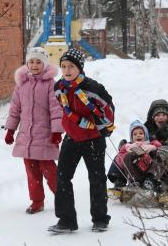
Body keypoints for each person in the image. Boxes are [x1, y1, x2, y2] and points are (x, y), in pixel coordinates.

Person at [48, 48, 115, 233]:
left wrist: (102, 130)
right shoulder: (59, 88)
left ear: (80, 68)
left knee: (96, 179)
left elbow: (108, 111)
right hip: (72, 137)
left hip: (93, 138)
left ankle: (100, 219)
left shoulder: (93, 88)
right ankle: (66, 220)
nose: (67, 70)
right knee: (62, 177)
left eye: (71, 66)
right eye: (63, 66)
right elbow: (63, 109)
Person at [4, 47, 63, 214]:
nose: (34, 65)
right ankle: (37, 201)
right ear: (27, 63)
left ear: (44, 64)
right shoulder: (21, 84)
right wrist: (10, 129)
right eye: (31, 61)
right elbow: (15, 108)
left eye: (38, 62)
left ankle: (62, 197)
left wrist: (56, 131)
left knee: (49, 169)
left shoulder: (51, 84)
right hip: (27, 136)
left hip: (45, 134)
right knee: (31, 170)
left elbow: (56, 109)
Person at [123, 99, 168, 206]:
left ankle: (162, 186)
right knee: (128, 155)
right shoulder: (147, 129)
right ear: (152, 117)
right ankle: (129, 181)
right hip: (145, 160)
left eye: (163, 114)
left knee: (162, 155)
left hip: (166, 160)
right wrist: (127, 145)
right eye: (157, 115)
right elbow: (138, 138)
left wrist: (167, 146)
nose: (160, 117)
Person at [107, 119, 162, 188]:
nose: (138, 135)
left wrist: (153, 147)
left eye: (141, 133)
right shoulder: (128, 146)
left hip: (149, 168)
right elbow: (119, 158)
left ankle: (150, 180)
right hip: (135, 170)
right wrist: (127, 152)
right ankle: (134, 181)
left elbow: (160, 146)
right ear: (131, 137)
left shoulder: (150, 142)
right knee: (127, 156)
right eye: (135, 134)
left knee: (160, 157)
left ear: (145, 135)